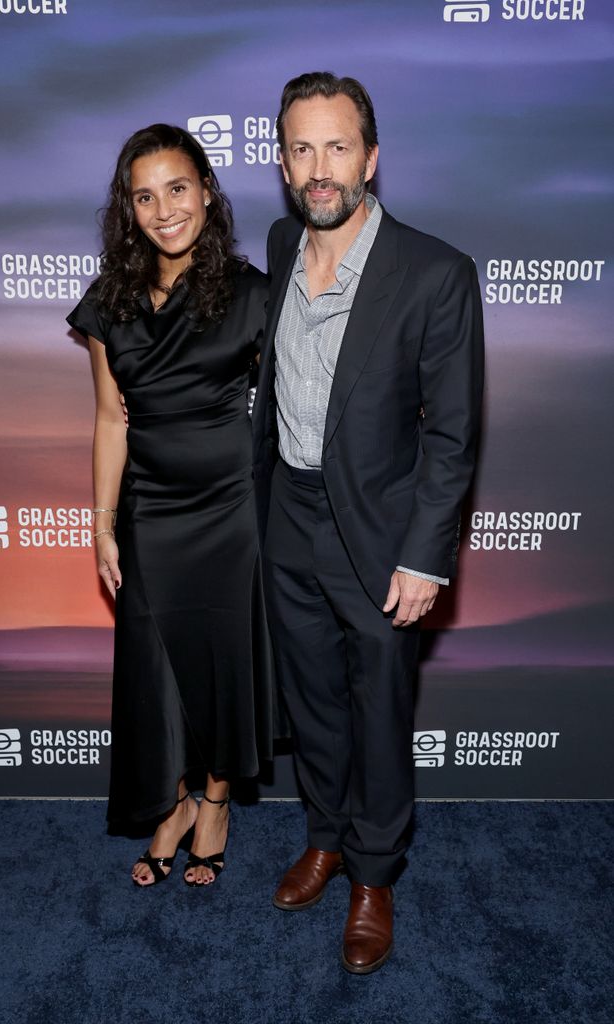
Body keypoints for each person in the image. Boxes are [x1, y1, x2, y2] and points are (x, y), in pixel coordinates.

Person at [252, 73, 484, 972]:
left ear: (372, 157)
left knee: (379, 711)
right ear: (281, 162)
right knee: (311, 702)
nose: (320, 169)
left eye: (337, 146)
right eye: (302, 149)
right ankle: (326, 835)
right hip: (290, 518)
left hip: (381, 535)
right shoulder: (280, 242)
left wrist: (425, 557)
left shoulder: (436, 273)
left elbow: (454, 435)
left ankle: (374, 875)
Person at [67, 124, 273, 888]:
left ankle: (215, 802)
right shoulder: (107, 305)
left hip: (233, 514)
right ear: (129, 210)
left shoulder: (254, 295)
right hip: (149, 512)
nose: (164, 210)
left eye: (177, 189)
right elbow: (111, 419)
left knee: (225, 664)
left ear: (208, 192)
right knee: (157, 669)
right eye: (144, 196)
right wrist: (101, 526)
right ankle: (174, 801)